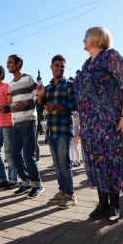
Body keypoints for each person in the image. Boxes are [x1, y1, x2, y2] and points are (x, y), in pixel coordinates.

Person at [74, 27, 123, 223]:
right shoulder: (86, 65)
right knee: (96, 163)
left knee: (112, 161)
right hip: (90, 125)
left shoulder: (110, 56)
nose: (83, 40)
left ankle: (114, 205)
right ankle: (102, 204)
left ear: (96, 38)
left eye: (85, 36)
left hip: (110, 122)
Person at [0, 54, 44, 198]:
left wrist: (26, 103)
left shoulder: (29, 78)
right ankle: (25, 182)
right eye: (7, 62)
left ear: (18, 63)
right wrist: (4, 108)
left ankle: (37, 184)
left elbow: (39, 96)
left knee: (28, 155)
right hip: (17, 123)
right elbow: (14, 105)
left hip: (29, 122)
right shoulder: (12, 84)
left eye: (10, 62)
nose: (8, 65)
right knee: (14, 155)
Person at [37, 54, 77, 209]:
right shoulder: (47, 88)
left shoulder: (69, 85)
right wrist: (40, 97)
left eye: (62, 66)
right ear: (51, 67)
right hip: (51, 129)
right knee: (56, 165)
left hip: (64, 129)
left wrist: (57, 107)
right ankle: (62, 191)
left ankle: (70, 195)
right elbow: (40, 107)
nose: (59, 68)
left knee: (64, 164)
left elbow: (75, 105)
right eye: (57, 65)